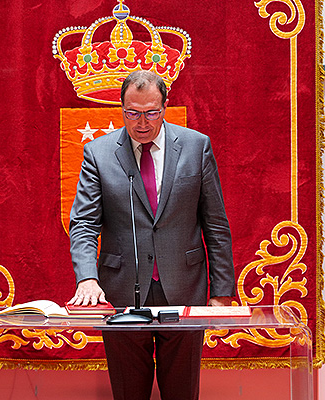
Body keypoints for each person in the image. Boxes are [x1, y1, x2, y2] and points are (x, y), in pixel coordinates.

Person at [68, 70, 235, 400]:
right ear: (121, 108)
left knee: (182, 391)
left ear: (165, 107)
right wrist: (86, 277)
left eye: (151, 112)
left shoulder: (195, 146)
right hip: (121, 291)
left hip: (185, 287)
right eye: (133, 113)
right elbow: (84, 223)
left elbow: (215, 223)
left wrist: (222, 290)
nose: (142, 122)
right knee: (130, 392)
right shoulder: (98, 154)